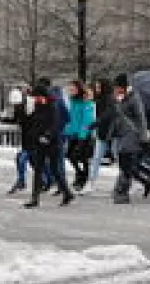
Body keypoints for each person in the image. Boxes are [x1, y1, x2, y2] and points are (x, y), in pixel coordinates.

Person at [22, 79, 73, 208]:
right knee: (38, 169)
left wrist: (47, 136)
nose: (35, 99)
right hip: (39, 142)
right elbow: (34, 123)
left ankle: (67, 193)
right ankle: (35, 198)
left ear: (43, 95)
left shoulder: (53, 106)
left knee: (55, 170)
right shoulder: (38, 106)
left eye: (37, 97)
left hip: (53, 143)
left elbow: (55, 124)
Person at [110, 73, 150, 204]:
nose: (115, 89)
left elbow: (141, 118)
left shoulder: (134, 98)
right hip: (121, 134)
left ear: (123, 87)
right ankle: (147, 181)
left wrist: (143, 137)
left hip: (132, 136)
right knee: (128, 165)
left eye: (117, 87)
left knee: (126, 164)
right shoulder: (121, 98)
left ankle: (122, 192)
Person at [64, 81, 96, 191]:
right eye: (70, 89)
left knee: (82, 157)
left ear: (78, 89)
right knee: (70, 155)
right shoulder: (72, 101)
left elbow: (87, 120)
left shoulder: (86, 101)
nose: (70, 91)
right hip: (73, 134)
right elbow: (71, 118)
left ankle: (84, 178)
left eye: (73, 89)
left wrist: (82, 136)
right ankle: (80, 174)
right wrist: (66, 131)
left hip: (83, 134)